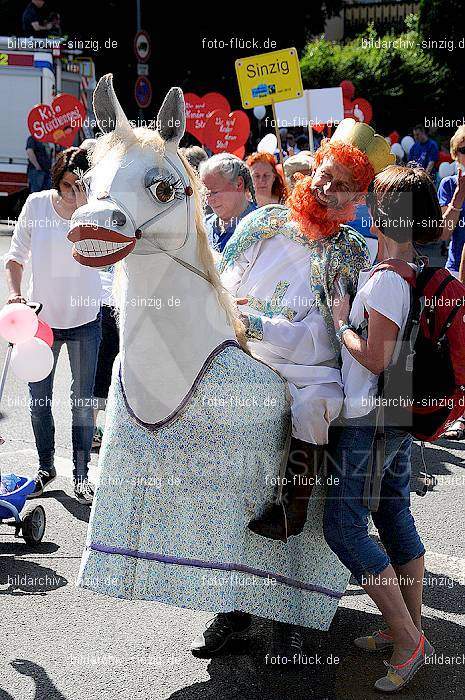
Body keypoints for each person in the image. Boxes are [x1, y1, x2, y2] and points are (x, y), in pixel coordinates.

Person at [207, 119, 393, 660]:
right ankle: (228, 602)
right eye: (323, 177)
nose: (325, 189)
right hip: (247, 363)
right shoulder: (262, 222)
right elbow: (220, 281)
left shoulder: (356, 254)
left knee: (314, 407)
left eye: (340, 186)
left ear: (359, 200)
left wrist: (263, 325)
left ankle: (294, 508)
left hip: (312, 373)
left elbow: (336, 333)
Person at [326, 164, 441, 692]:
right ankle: (409, 629)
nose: (369, 204)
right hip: (390, 417)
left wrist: (339, 324)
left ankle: (407, 637)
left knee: (344, 528)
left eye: (378, 199)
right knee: (394, 513)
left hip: (369, 421)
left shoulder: (388, 279)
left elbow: (375, 358)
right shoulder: (402, 269)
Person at [4, 147, 102, 504]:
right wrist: (15, 296)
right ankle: (46, 467)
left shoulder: (95, 212)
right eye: (68, 185)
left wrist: (89, 210)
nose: (75, 194)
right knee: (38, 401)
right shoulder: (37, 206)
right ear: (56, 181)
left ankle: (81, 474)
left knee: (81, 401)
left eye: (81, 186)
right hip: (41, 321)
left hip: (85, 320)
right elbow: (15, 258)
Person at [438, 125, 465, 438]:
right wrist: (459, 196)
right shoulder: (448, 184)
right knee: (457, 345)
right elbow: (443, 232)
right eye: (463, 151)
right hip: (457, 270)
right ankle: (457, 413)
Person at [199, 153, 257, 253]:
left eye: (215, 192)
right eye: (207, 193)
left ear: (238, 184)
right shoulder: (204, 226)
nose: (209, 201)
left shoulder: (262, 227)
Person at [92, 265, 119, 449]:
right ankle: (93, 431)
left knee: (97, 370)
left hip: (96, 304)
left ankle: (90, 429)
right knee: (109, 371)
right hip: (113, 305)